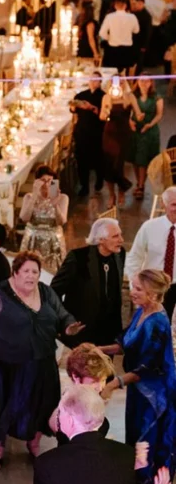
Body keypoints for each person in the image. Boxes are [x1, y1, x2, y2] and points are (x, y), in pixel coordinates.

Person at [0, 252, 84, 469]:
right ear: (15, 273)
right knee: (8, 406)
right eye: (26, 271)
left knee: (43, 404)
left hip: (43, 360)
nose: (31, 276)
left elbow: (62, 314)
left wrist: (68, 326)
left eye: (35, 272)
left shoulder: (45, 292)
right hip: (11, 363)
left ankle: (34, 444)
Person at [100, 269, 176, 484]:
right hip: (140, 393)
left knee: (150, 449)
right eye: (133, 286)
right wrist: (98, 349)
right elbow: (125, 343)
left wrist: (114, 384)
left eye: (138, 289)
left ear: (153, 294)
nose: (132, 292)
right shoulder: (141, 312)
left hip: (156, 398)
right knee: (135, 443)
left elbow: (146, 367)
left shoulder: (158, 323)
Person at [51, 218, 126, 347]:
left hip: (108, 334)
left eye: (120, 234)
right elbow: (53, 292)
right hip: (81, 333)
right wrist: (66, 320)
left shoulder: (119, 254)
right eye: (115, 236)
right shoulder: (78, 258)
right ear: (101, 239)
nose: (121, 240)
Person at [125, 185, 176, 319]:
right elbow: (134, 258)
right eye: (174, 204)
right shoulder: (149, 227)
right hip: (152, 287)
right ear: (164, 205)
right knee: (150, 325)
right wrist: (136, 287)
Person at [19, 166, 69, 275]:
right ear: (37, 182)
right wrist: (34, 196)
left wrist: (55, 205)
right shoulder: (28, 197)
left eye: (50, 181)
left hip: (53, 241)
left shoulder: (63, 198)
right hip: (32, 240)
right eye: (43, 180)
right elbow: (24, 218)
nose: (46, 184)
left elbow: (61, 222)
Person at [70, 74, 106, 196]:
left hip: (96, 131)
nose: (93, 82)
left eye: (96, 80)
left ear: (100, 82)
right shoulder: (81, 95)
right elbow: (73, 110)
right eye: (91, 79)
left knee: (97, 157)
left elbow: (104, 115)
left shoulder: (103, 96)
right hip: (82, 131)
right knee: (81, 159)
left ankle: (99, 180)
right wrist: (73, 106)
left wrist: (92, 108)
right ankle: (84, 186)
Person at [99, 82, 134, 207]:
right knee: (109, 165)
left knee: (118, 165)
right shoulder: (106, 97)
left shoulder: (129, 97)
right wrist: (106, 113)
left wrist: (136, 119)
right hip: (109, 134)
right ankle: (112, 195)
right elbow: (101, 116)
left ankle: (121, 191)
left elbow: (136, 114)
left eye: (120, 83)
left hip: (123, 134)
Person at [130, 74, 163, 198]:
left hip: (149, 131)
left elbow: (159, 115)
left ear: (151, 83)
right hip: (135, 130)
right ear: (137, 82)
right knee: (134, 158)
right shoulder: (133, 96)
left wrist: (149, 125)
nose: (144, 84)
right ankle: (139, 182)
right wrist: (130, 122)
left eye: (147, 81)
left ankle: (141, 185)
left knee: (143, 160)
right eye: (141, 81)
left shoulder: (156, 97)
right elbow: (128, 111)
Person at [99, 0, 138, 73]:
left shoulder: (110, 17)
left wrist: (109, 38)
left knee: (112, 72)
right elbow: (136, 31)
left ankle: (114, 81)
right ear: (125, 6)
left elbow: (102, 33)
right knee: (124, 72)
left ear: (115, 6)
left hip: (113, 49)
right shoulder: (132, 17)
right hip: (127, 49)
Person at [130, 0, 152, 73]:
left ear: (141, 3)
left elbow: (148, 32)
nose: (133, 6)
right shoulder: (133, 13)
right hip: (132, 42)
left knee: (139, 64)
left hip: (140, 44)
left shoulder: (146, 15)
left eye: (134, 4)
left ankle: (136, 79)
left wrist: (144, 45)